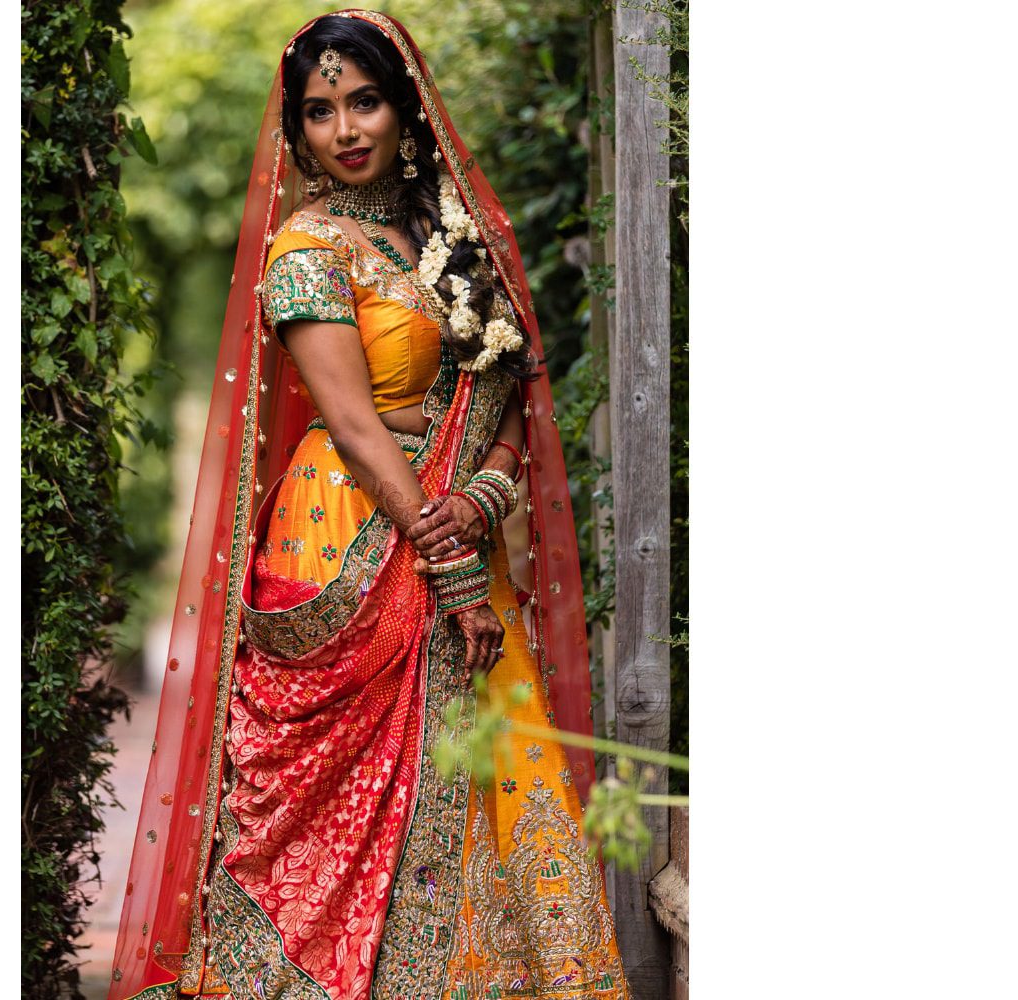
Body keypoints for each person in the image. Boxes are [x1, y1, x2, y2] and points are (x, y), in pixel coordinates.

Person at [107, 10, 630, 999]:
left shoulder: (448, 231)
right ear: (298, 131)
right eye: (320, 110)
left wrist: (486, 491)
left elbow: (508, 378)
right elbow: (350, 421)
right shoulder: (307, 248)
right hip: (352, 536)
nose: (345, 128)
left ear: (406, 107)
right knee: (324, 811)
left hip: (456, 526)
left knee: (503, 777)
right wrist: (451, 558)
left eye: (364, 101)